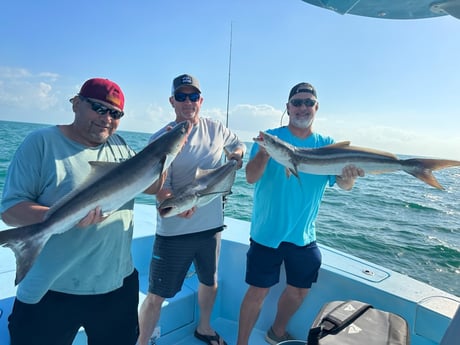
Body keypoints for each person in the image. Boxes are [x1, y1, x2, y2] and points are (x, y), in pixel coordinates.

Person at [1, 78, 163, 345]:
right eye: (99, 108)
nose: (106, 119)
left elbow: (152, 186)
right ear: (76, 103)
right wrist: (65, 217)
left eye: (115, 113)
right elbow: (11, 210)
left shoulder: (120, 145)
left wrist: (167, 154)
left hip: (117, 286)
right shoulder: (40, 144)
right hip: (53, 289)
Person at [236, 82, 364, 345]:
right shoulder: (269, 136)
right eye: (297, 102)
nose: (302, 107)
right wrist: (264, 152)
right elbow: (250, 178)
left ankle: (277, 331)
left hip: (304, 234)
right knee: (257, 292)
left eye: (308, 102)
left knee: (299, 292)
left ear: (316, 107)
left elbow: (343, 185)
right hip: (267, 232)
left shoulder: (327, 145)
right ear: (288, 107)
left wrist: (348, 177)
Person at [137, 74, 246, 345]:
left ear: (201, 100)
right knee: (156, 294)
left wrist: (236, 157)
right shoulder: (160, 138)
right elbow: (160, 189)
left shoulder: (217, 129)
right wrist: (177, 203)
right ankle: (141, 341)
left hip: (210, 228)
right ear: (172, 101)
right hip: (174, 230)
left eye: (193, 96)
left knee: (210, 282)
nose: (188, 102)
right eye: (182, 96)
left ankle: (205, 328)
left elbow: (239, 145)